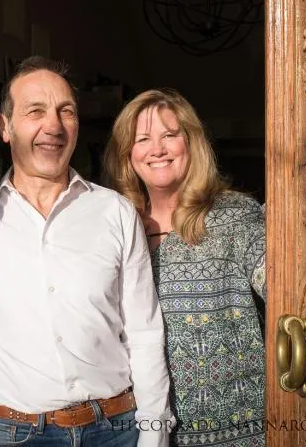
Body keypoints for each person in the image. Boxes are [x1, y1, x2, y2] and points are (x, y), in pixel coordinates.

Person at [0, 56, 173, 447]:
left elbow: (145, 334)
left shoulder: (115, 212)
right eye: (36, 111)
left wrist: (155, 435)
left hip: (116, 430)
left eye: (66, 111)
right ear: (4, 127)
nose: (54, 126)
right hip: (12, 435)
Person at [104, 89, 265, 447]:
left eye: (169, 135)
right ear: (127, 154)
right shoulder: (115, 227)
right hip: (144, 431)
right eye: (142, 139)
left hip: (238, 432)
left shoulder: (235, 215)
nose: (157, 149)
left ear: (191, 143)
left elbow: (286, 284)